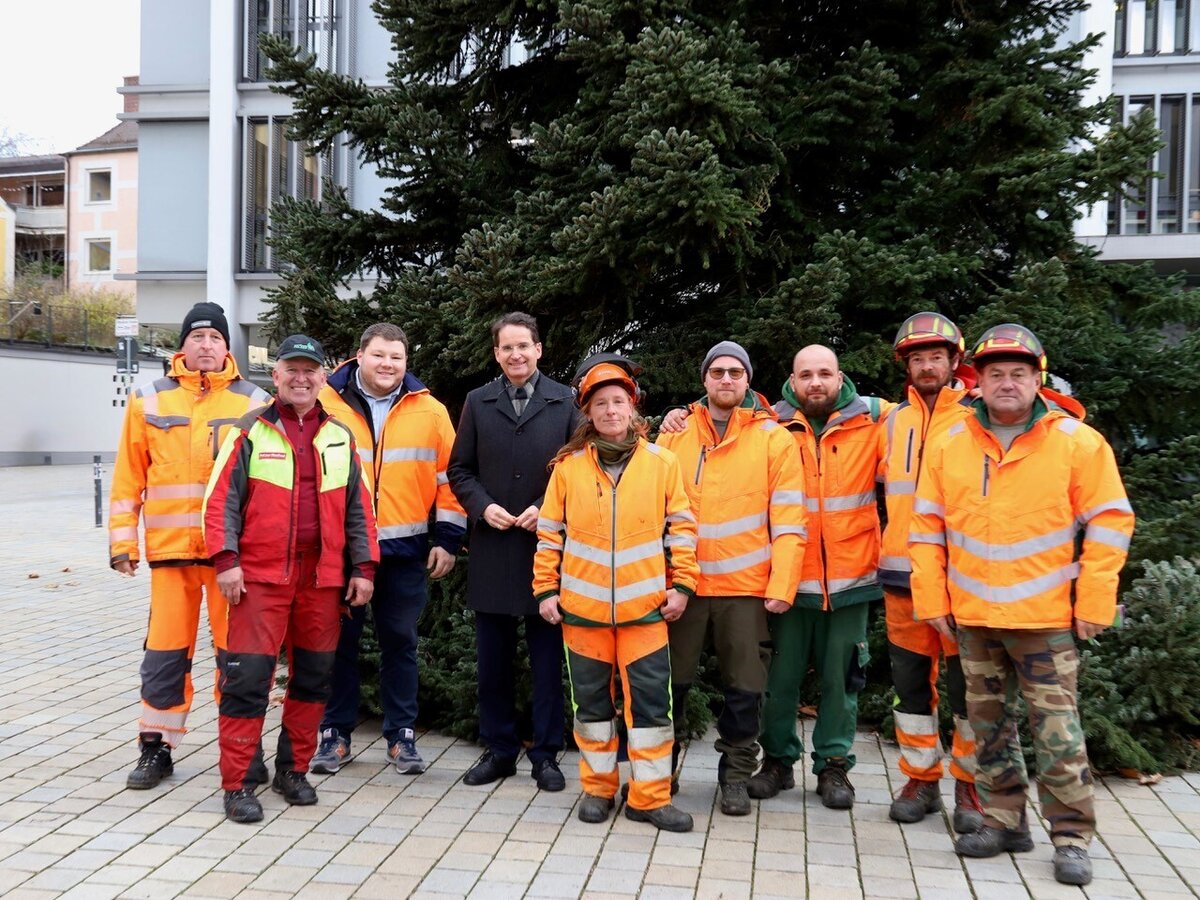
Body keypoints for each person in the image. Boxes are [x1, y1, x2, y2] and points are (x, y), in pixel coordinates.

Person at [910, 323, 1134, 886]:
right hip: (975, 618)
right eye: (994, 375)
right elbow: (926, 528)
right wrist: (932, 598)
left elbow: (1110, 521)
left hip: (1046, 622)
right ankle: (1005, 820)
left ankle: (1072, 836)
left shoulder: (1077, 443)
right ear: (977, 383)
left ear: (1038, 379)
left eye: (1018, 373)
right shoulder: (951, 445)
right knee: (988, 727)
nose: (1006, 383)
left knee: (1057, 731)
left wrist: (1095, 599)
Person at [203, 335, 379, 823]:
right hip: (258, 577)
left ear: (323, 378)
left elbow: (359, 511)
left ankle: (292, 771)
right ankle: (237, 783)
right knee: (247, 680)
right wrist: (226, 560)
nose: (302, 379)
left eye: (311, 370)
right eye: (292, 370)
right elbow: (220, 503)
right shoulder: (249, 431)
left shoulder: (340, 437)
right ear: (275, 375)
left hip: (321, 580)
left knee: (314, 679)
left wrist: (363, 569)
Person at [533, 356, 699, 832]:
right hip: (582, 615)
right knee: (592, 709)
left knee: (649, 708)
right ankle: (598, 788)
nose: (610, 411)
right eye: (601, 403)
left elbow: (682, 531)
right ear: (588, 411)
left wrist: (682, 585)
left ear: (633, 407)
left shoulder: (662, 463)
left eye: (618, 401)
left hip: (645, 613)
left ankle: (648, 797)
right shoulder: (567, 469)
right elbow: (550, 534)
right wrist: (546, 590)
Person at [110, 301, 270, 790]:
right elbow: (127, 477)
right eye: (197, 337)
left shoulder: (253, 403)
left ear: (228, 346)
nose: (206, 346)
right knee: (164, 653)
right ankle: (154, 749)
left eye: (215, 338)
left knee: (237, 656)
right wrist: (123, 543)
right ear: (183, 345)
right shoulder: (149, 399)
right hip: (170, 555)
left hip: (229, 560)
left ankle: (245, 749)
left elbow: (265, 484)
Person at [655, 341, 807, 817]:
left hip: (745, 588)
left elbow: (789, 521)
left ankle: (736, 774)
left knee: (745, 687)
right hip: (683, 585)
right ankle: (664, 766)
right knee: (669, 683)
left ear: (747, 381)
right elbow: (650, 511)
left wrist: (782, 586)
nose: (725, 380)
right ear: (704, 379)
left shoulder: (773, 438)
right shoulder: (673, 436)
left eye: (735, 373)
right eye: (717, 371)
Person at [311, 323, 467, 776]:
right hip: (341, 550)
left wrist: (448, 539)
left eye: (396, 358)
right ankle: (334, 734)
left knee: (401, 642)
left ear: (406, 361)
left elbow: (449, 480)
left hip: (406, 551)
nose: (388, 365)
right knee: (339, 644)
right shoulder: (324, 402)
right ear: (359, 356)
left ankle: (402, 736)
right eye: (379, 355)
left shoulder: (431, 410)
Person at [743, 345, 891, 811]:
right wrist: (675, 416)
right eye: (806, 374)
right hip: (789, 581)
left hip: (851, 581)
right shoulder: (770, 422)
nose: (816, 383)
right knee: (779, 681)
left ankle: (833, 766)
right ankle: (778, 761)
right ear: (792, 377)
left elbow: (931, 420)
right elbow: (711, 414)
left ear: (839, 375)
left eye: (824, 373)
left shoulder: (874, 418)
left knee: (842, 680)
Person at [447, 312, 581, 791]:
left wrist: (546, 507)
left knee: (547, 664)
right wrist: (482, 508)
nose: (516, 355)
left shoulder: (565, 401)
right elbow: (459, 470)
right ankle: (500, 750)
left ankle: (547, 754)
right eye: (507, 348)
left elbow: (579, 469)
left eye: (523, 346)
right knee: (493, 664)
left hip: (547, 551)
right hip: (494, 548)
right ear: (496, 353)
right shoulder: (478, 402)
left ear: (539, 349)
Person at [877, 313, 983, 832]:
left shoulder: (979, 415)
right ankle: (921, 779)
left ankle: (970, 787)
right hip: (901, 579)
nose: (925, 366)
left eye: (935, 357)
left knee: (969, 692)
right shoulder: (893, 420)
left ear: (955, 361)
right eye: (916, 358)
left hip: (963, 583)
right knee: (912, 690)